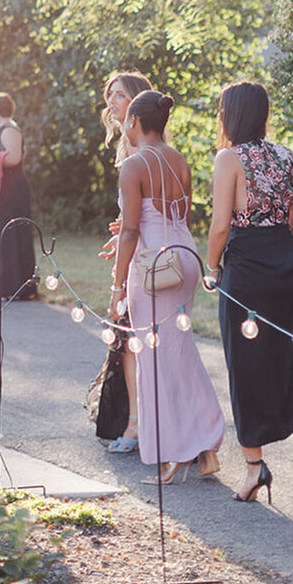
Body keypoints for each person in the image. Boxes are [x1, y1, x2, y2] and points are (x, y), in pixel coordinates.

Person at [209, 80, 293, 506]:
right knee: (280, 365)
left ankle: (253, 468)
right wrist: (290, 261)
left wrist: (212, 268)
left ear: (231, 114)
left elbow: (221, 226)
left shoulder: (229, 159)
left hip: (246, 274)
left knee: (244, 368)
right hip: (286, 269)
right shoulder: (286, 156)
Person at [109, 89, 223, 483]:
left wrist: (117, 286)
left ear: (134, 122)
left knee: (155, 360)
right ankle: (206, 443)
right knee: (180, 352)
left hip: (155, 266)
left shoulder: (134, 165)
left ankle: (175, 452)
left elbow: (131, 232)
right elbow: (181, 216)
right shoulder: (180, 161)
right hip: (184, 258)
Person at [97, 70, 152, 454]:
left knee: (133, 342)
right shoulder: (127, 149)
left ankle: (135, 424)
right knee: (132, 343)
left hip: (147, 261)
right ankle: (138, 419)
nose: (111, 103)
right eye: (109, 96)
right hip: (136, 252)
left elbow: (148, 216)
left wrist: (127, 235)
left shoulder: (140, 152)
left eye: (118, 96)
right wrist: (121, 234)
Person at [0, 92, 37, 300]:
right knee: (2, 235)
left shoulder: (9, 129)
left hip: (12, 187)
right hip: (2, 186)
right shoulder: (0, 130)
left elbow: (13, 158)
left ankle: (14, 287)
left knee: (11, 234)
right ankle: (4, 286)